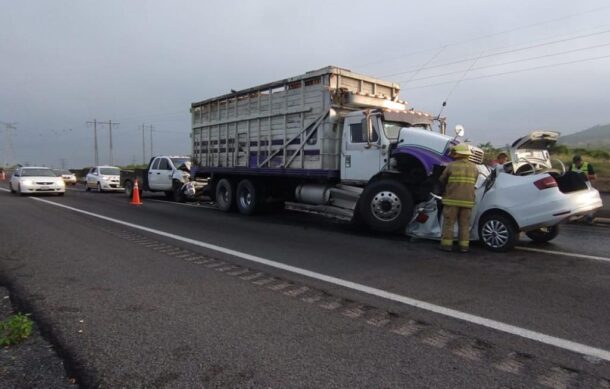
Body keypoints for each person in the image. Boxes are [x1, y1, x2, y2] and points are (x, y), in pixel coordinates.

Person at [439, 144, 479, 253]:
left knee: (449, 223)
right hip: (468, 201)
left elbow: (442, 180)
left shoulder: (451, 166)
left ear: (457, 154)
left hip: (452, 200)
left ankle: (446, 245)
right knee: (464, 224)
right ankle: (464, 247)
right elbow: (474, 182)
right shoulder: (474, 167)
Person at [569, 155, 597, 223]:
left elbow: (594, 177)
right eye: (575, 162)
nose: (577, 163)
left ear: (581, 161)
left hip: (586, 187)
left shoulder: (588, 165)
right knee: (575, 203)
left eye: (578, 161)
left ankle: (589, 217)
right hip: (575, 187)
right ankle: (576, 217)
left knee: (588, 202)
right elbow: (568, 175)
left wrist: (584, 175)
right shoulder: (572, 166)